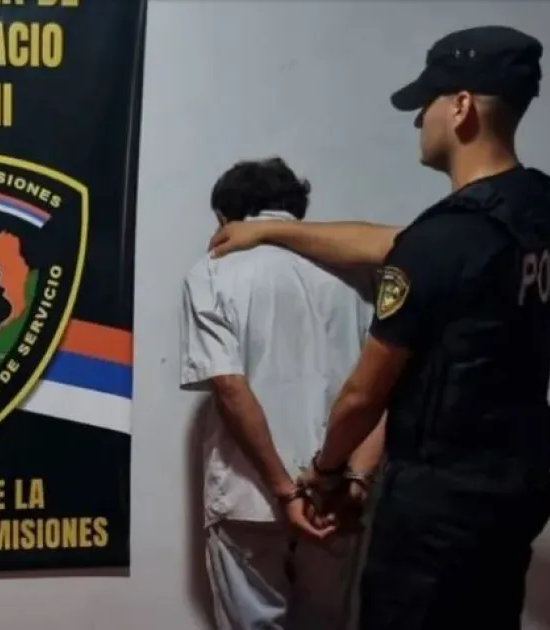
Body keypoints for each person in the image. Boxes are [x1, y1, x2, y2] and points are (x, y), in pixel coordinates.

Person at [207, 26, 550, 630]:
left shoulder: (445, 241)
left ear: (461, 107)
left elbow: (363, 395)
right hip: (512, 488)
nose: (418, 121)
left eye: (427, 103)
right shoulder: (545, 211)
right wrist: (272, 229)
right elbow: (397, 243)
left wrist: (327, 473)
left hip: (435, 513)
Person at [181, 157, 384, 630]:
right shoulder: (359, 273)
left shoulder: (212, 271)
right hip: (336, 496)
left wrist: (283, 491)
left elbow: (230, 388)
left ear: (223, 218)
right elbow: (380, 389)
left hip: (248, 496)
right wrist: (357, 480)